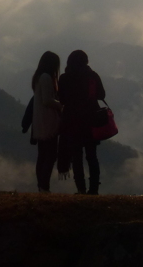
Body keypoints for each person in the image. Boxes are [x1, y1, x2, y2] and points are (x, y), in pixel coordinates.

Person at [58, 49, 107, 195]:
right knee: (92, 155)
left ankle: (81, 188)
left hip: (72, 121)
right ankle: (94, 189)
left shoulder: (65, 78)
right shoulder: (92, 75)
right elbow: (102, 94)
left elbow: (61, 99)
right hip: (91, 120)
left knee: (77, 156)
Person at [31, 50, 62, 192]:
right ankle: (44, 186)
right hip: (47, 120)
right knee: (50, 155)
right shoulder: (46, 78)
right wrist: (61, 106)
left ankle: (41, 186)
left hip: (40, 120)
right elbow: (47, 100)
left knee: (43, 155)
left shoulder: (38, 77)